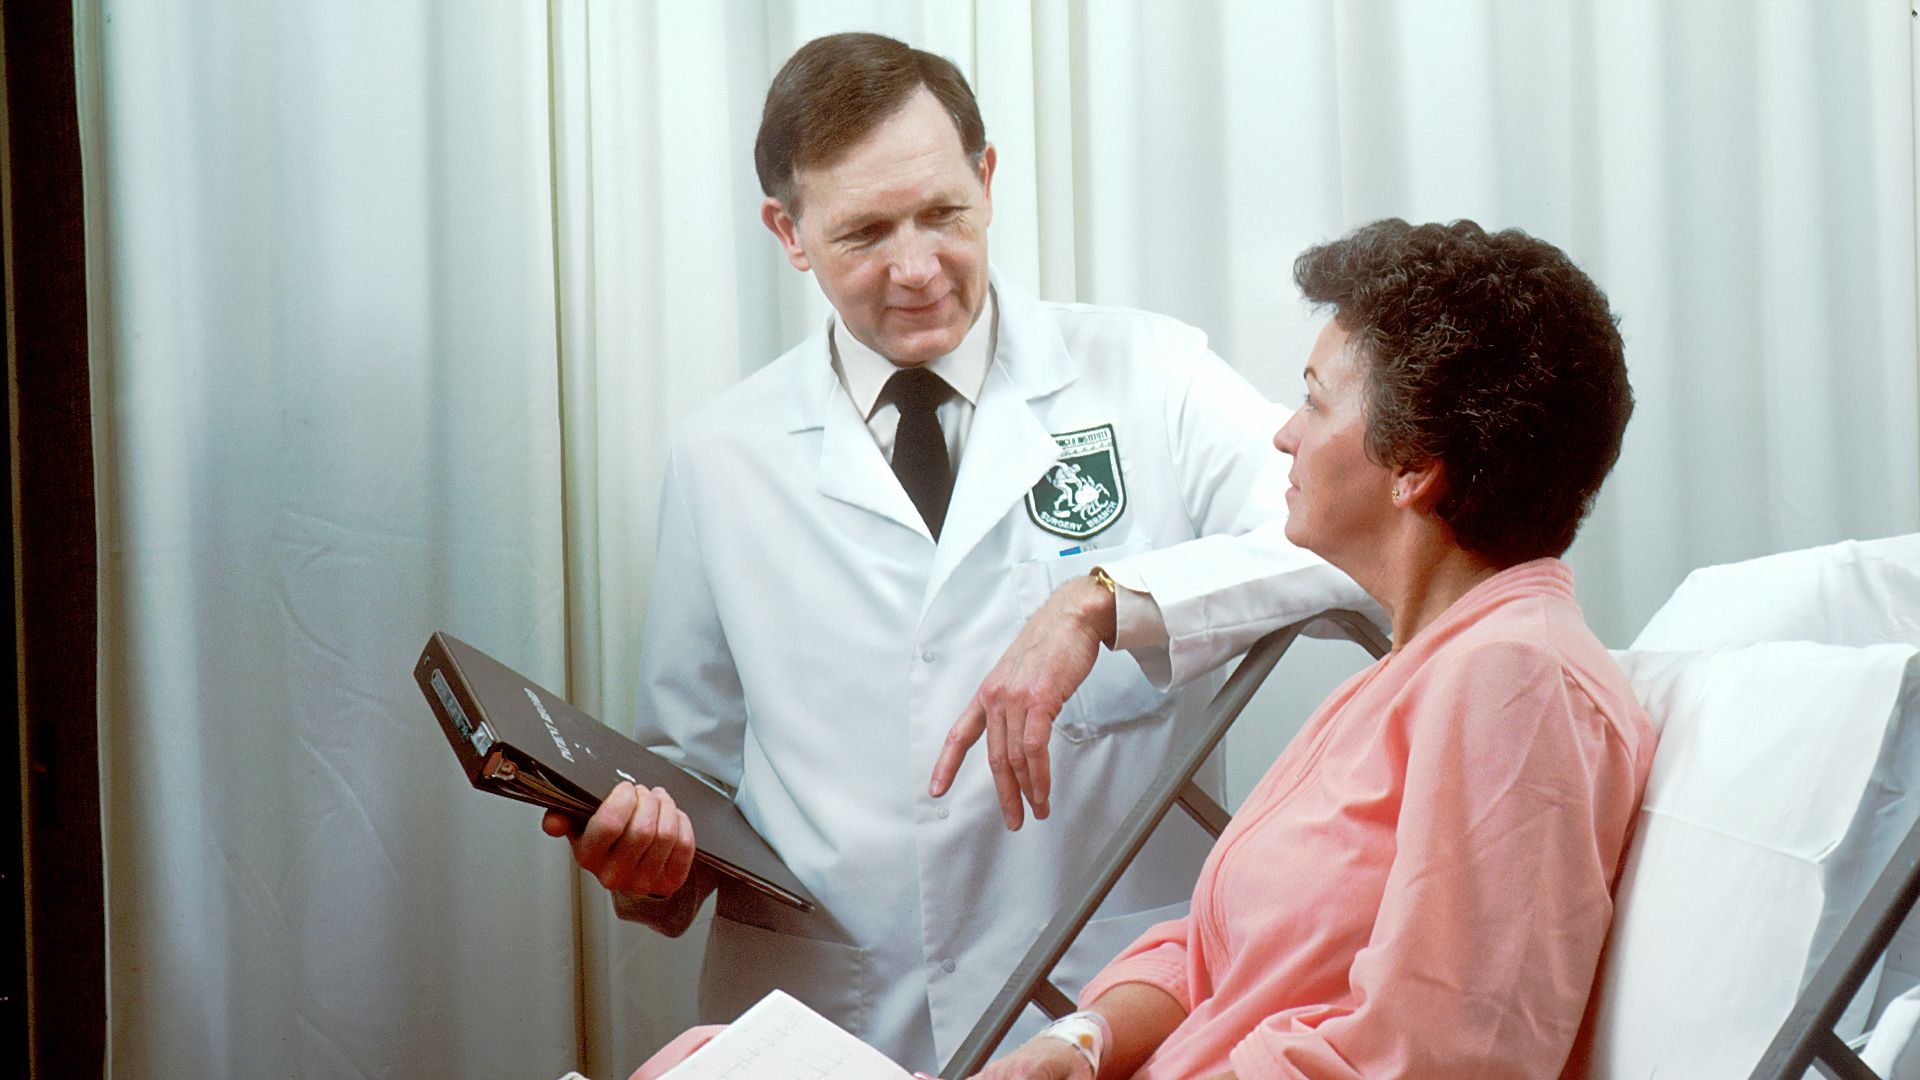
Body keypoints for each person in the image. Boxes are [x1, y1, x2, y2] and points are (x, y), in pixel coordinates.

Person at [542, 32, 1366, 1073]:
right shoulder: (722, 456)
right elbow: (689, 776)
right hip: (832, 1024)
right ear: (787, 233)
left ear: (986, 177)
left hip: (1100, 1011)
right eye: (864, 234)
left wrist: (1103, 600)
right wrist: (649, 870)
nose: (918, 267)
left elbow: (1352, 544)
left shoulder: (1150, 373)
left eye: (943, 213)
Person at [962, 218, 1656, 1078]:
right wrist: (1082, 1040)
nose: (1285, 435)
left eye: (1316, 401)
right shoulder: (1421, 671)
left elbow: (1441, 1057)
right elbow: (1223, 953)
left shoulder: (1517, 682)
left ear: (1413, 467)